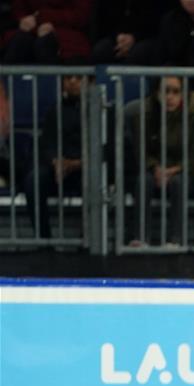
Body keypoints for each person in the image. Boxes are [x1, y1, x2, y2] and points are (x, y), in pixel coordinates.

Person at [128, 76, 194, 247]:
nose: (170, 97)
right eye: (165, 91)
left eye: (175, 92)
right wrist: (155, 167)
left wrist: (175, 169)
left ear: (184, 94)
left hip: (186, 170)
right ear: (157, 93)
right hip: (154, 169)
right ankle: (140, 237)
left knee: (178, 182)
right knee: (143, 181)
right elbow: (141, 149)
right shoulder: (145, 114)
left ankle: (175, 239)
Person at [23, 71, 86, 239]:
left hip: (85, 167)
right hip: (58, 168)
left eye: (78, 77)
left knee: (93, 180)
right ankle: (44, 239)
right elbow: (47, 143)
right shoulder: (55, 110)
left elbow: (104, 148)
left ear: (91, 82)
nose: (72, 81)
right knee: (34, 180)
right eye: (68, 77)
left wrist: (77, 163)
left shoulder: (101, 110)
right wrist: (56, 161)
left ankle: (88, 240)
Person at [4, 0, 91, 63]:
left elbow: (81, 16)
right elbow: (18, 10)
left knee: (45, 44)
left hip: (67, 32)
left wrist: (44, 17)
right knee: (19, 42)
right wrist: (23, 20)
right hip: (30, 30)